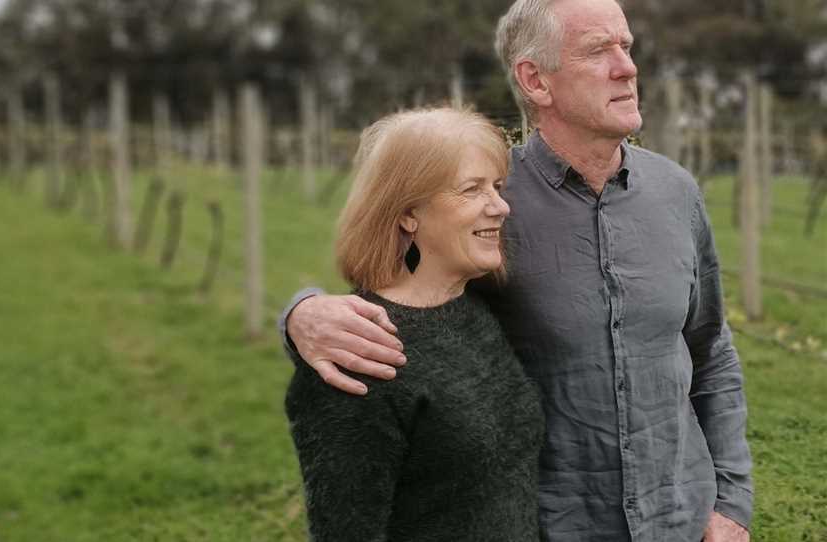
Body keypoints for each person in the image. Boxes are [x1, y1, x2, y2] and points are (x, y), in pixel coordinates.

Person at [280, 0, 754, 540]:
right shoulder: (490, 210)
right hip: (554, 526)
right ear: (536, 80)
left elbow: (711, 349)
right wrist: (303, 314)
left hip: (684, 520)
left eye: (627, 46)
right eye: (599, 50)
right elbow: (405, 300)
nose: (627, 66)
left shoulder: (678, 192)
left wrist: (732, 500)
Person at [285, 107, 545, 541]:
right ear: (408, 213)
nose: (500, 207)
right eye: (472, 189)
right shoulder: (359, 353)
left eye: (497, 186)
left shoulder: (476, 310)